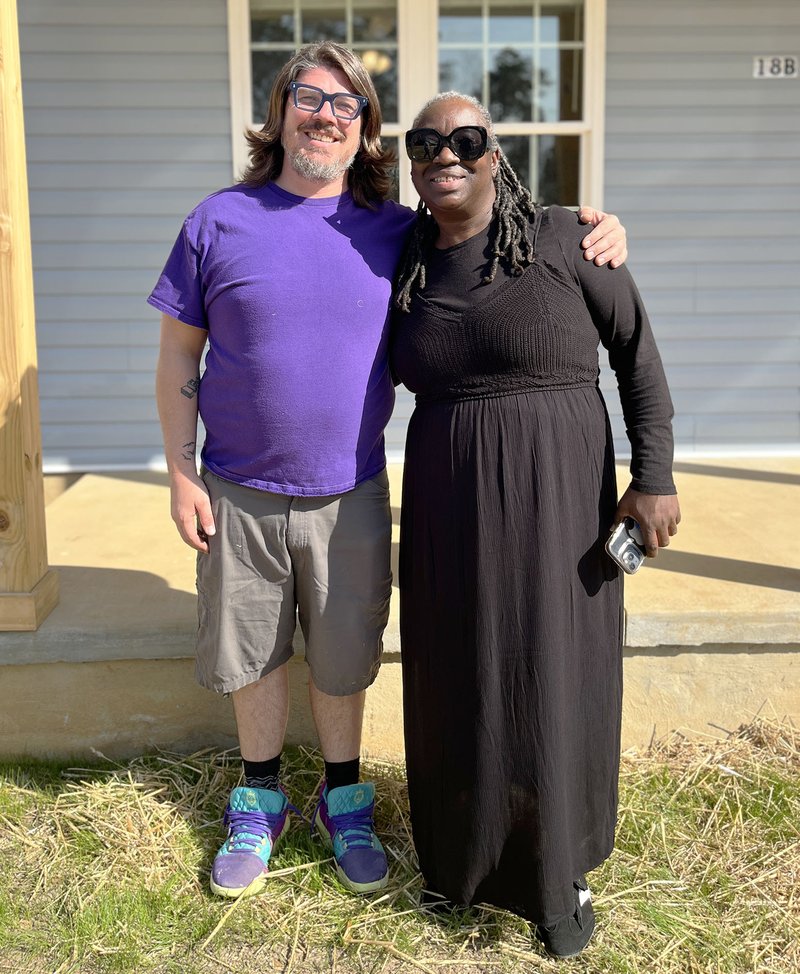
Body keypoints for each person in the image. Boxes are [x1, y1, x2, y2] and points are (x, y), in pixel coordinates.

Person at [148, 42, 628, 902]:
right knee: (251, 650)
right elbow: (179, 354)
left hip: (352, 487)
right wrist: (180, 474)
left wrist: (589, 223)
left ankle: (345, 802)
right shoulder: (215, 221)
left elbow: (486, 223)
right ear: (279, 111)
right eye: (308, 97)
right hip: (236, 486)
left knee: (344, 656)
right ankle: (258, 799)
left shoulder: (396, 230)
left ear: (365, 129)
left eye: (346, 105)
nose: (324, 116)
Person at [390, 92, 681, 959]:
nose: (447, 153)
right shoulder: (400, 257)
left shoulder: (564, 236)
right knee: (455, 677)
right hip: (447, 505)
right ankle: (456, 867)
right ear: (410, 160)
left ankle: (557, 877)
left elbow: (638, 358)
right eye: (427, 141)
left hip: (561, 503)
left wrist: (654, 478)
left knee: (552, 677)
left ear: (496, 156)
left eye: (467, 140)